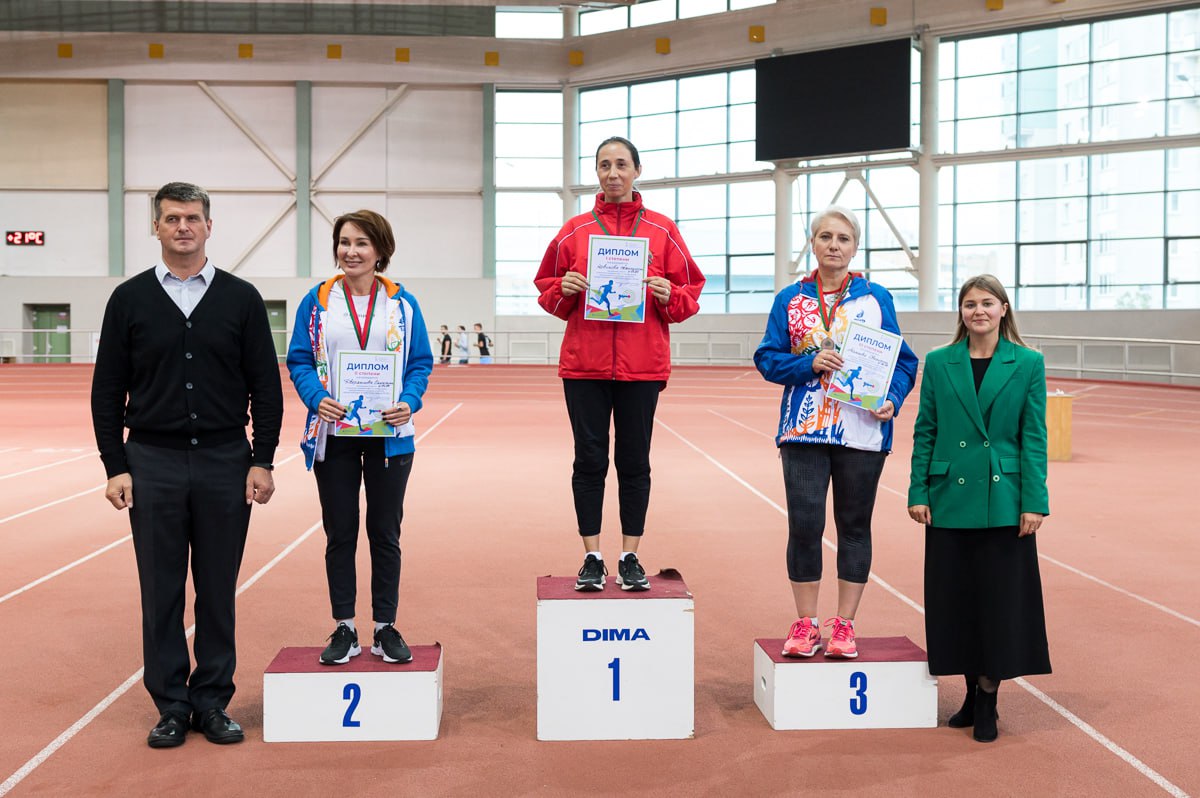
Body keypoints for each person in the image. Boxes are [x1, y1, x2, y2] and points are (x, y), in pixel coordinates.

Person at [90, 181, 283, 749]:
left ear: (208, 226)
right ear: (156, 227)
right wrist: (115, 465)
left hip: (226, 460)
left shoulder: (241, 298)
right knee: (161, 592)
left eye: (192, 218)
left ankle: (213, 701)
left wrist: (263, 459)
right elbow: (107, 390)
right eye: (172, 218)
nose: (183, 227)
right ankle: (172, 705)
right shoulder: (128, 299)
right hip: (152, 461)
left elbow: (265, 387)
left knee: (218, 589)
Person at [534, 135, 705, 592]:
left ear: (637, 171)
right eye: (604, 165)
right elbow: (547, 289)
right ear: (596, 172)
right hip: (584, 366)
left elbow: (690, 295)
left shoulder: (663, 230)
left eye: (621, 164)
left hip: (642, 366)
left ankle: (630, 555)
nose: (613, 173)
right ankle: (591, 556)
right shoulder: (574, 231)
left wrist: (669, 295)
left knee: (634, 461)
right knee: (588, 460)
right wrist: (564, 289)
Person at [754, 205, 917, 660]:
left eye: (843, 238)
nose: (834, 245)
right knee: (805, 526)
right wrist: (808, 363)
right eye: (825, 236)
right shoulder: (790, 299)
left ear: (855, 247)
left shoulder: (876, 298)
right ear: (813, 243)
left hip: (862, 431)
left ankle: (845, 625)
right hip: (804, 430)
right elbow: (767, 358)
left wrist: (892, 399)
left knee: (854, 527)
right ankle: (806, 624)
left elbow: (904, 362)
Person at [907, 274, 1051, 743]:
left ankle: (988, 695)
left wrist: (1034, 501)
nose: (979, 311)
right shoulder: (939, 361)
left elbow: (1034, 437)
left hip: (1004, 500)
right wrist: (918, 490)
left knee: (999, 604)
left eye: (988, 303)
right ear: (961, 313)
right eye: (970, 304)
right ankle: (970, 690)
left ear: (1004, 309)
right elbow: (926, 430)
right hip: (949, 497)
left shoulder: (1027, 362)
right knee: (956, 601)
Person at [287, 209, 434, 667]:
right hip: (335, 434)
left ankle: (385, 626)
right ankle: (345, 627)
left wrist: (409, 400)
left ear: (380, 251)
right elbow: (299, 360)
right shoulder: (317, 302)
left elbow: (420, 363)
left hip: (390, 434)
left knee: (385, 533)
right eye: (344, 242)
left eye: (361, 243)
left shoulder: (402, 305)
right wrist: (316, 398)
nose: (350, 251)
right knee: (340, 532)